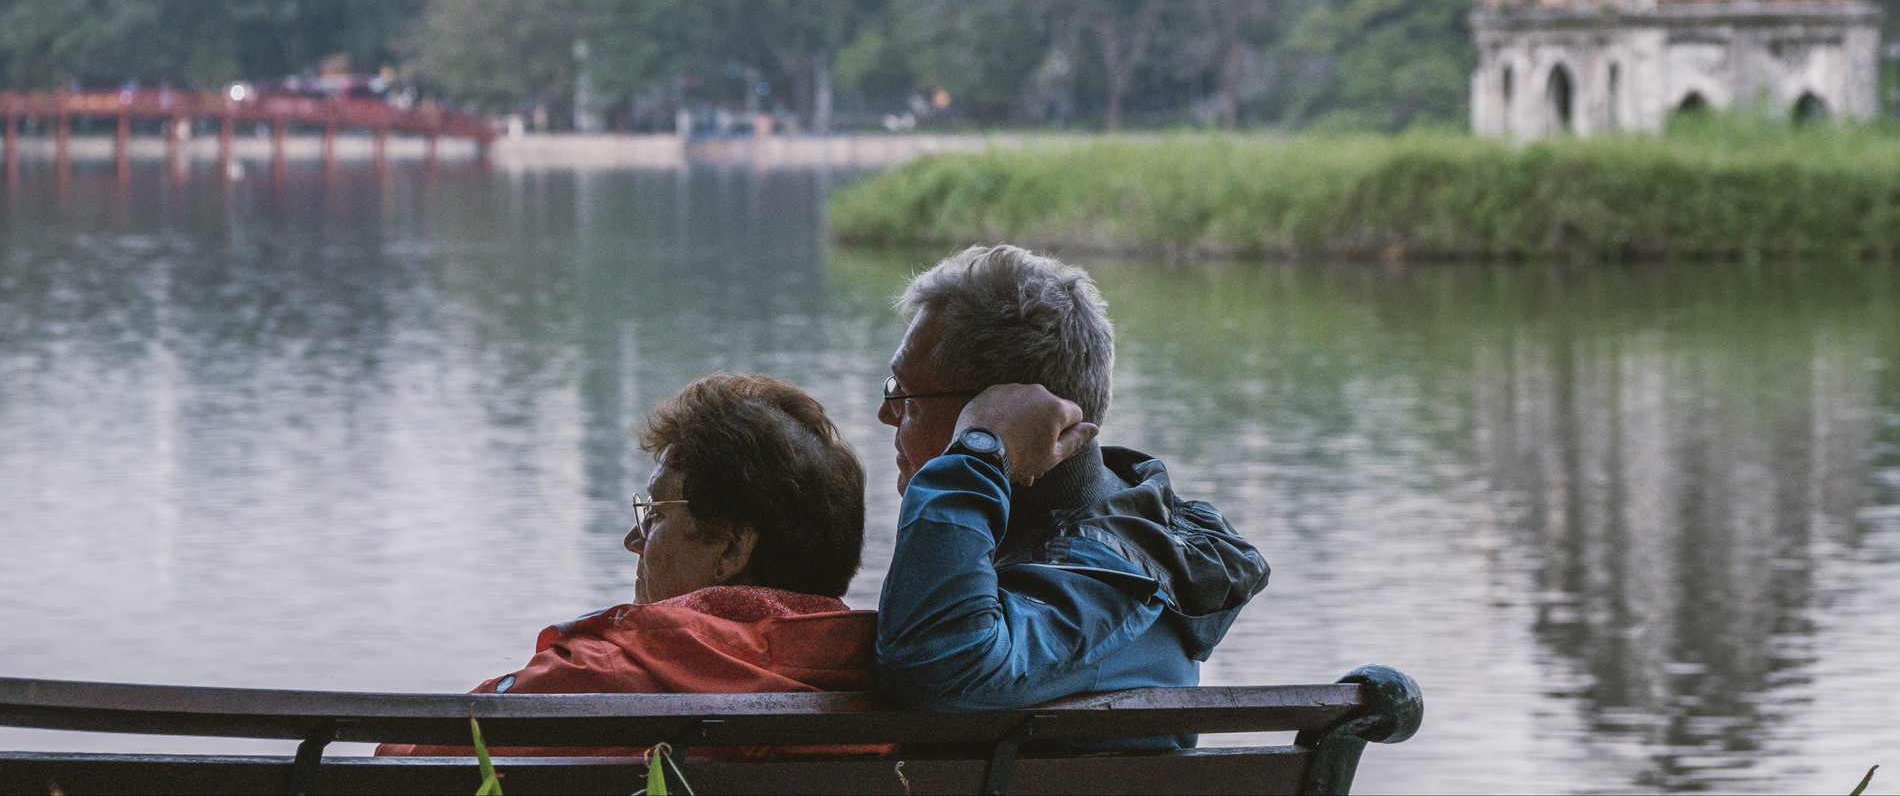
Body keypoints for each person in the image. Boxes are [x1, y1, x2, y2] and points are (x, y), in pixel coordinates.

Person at [380, 373, 873, 755]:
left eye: (656, 514)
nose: (633, 539)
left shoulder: (606, 678)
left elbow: (399, 763)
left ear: (731, 550)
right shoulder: (889, 683)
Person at [874, 244, 1269, 713]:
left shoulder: (1107, 573)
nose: (886, 413)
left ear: (1003, 413)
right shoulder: (1089, 531)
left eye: (908, 395)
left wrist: (978, 451)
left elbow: (935, 666)